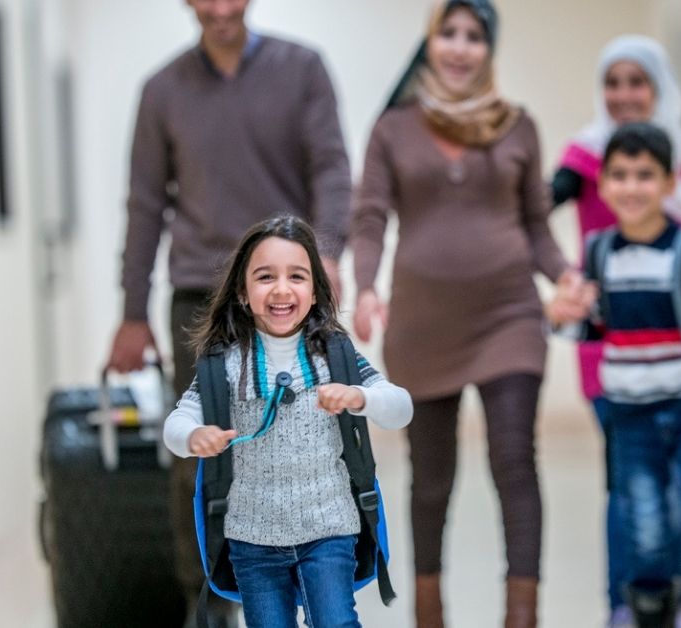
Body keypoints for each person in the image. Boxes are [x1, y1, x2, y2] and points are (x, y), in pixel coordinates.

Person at [105, 0, 353, 621]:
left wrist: (326, 258)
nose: (220, 8)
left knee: (301, 438)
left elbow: (330, 170)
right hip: (199, 296)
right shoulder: (162, 90)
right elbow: (143, 205)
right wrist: (133, 312)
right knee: (199, 446)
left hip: (288, 290)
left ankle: (302, 582)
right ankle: (210, 597)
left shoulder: (303, 70)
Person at [349, 1, 577, 626]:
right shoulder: (392, 128)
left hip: (510, 317)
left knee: (513, 460)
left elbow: (537, 227)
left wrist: (567, 277)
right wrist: (365, 287)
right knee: (431, 481)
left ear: (488, 50)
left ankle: (520, 613)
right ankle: (430, 610)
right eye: (447, 33)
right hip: (423, 327)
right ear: (429, 43)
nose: (458, 47)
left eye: (473, 36)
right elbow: (369, 217)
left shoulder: (517, 125)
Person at [547, 123, 681, 628]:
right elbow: (592, 328)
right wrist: (559, 315)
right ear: (603, 183)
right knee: (643, 528)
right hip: (630, 418)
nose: (631, 186)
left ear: (670, 183)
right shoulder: (600, 253)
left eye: (646, 175)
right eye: (619, 175)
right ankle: (652, 611)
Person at [162, 215, 412, 628]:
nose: (281, 289)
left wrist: (360, 397)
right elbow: (177, 422)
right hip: (252, 539)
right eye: (265, 277)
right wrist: (194, 435)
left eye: (297, 276)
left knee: (335, 621)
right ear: (242, 292)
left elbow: (400, 405)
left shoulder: (334, 356)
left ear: (315, 291)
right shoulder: (224, 364)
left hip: (330, 527)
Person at [548, 35, 681, 627]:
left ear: (659, 86)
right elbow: (535, 210)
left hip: (680, 349)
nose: (623, 96)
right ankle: (626, 603)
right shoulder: (586, 157)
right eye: (612, 83)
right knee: (628, 485)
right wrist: (565, 286)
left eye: (635, 82)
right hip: (610, 348)